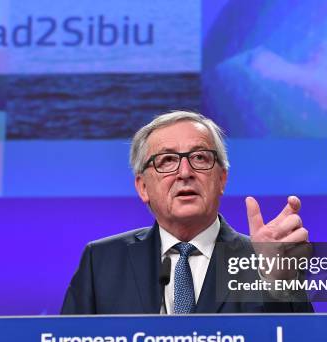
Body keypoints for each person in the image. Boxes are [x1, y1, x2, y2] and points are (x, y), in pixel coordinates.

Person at [61, 111, 313, 314]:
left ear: (222, 179)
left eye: (200, 158)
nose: (184, 172)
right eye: (167, 160)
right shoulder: (102, 261)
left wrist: (279, 284)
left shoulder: (265, 259)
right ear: (142, 187)